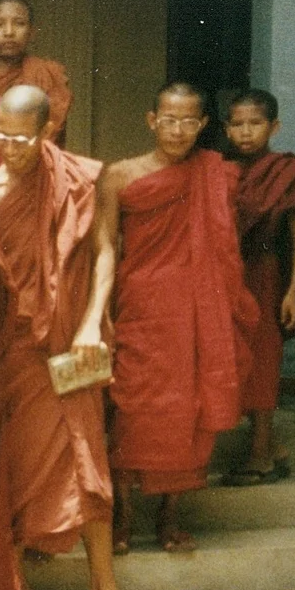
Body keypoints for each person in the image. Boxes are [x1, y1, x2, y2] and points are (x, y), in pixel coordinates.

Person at [0, 86, 169, 590]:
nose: (7, 147)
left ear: (48, 131)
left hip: (77, 347)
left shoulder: (83, 177)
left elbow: (104, 249)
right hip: (16, 353)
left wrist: (89, 322)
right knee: (16, 467)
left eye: (19, 137)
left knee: (88, 464)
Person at [99, 82, 255, 553]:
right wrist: (101, 310)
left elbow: (223, 246)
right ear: (151, 120)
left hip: (195, 309)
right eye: (169, 119)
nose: (178, 129)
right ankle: (122, 517)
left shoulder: (213, 174)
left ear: (203, 125)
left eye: (189, 121)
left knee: (188, 411)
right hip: (141, 306)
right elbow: (106, 244)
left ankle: (169, 517)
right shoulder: (120, 176)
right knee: (133, 408)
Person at [222, 89, 295, 488]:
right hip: (229, 275)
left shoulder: (284, 172)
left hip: (265, 274)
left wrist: (293, 291)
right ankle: (272, 447)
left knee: (261, 358)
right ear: (227, 130)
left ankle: (260, 456)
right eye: (238, 125)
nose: (246, 133)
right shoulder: (221, 171)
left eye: (255, 124)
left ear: (274, 127)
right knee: (235, 358)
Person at [0, 0, 74, 144]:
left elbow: (54, 137)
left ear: (32, 33)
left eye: (19, 23)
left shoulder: (47, 74)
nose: (9, 32)